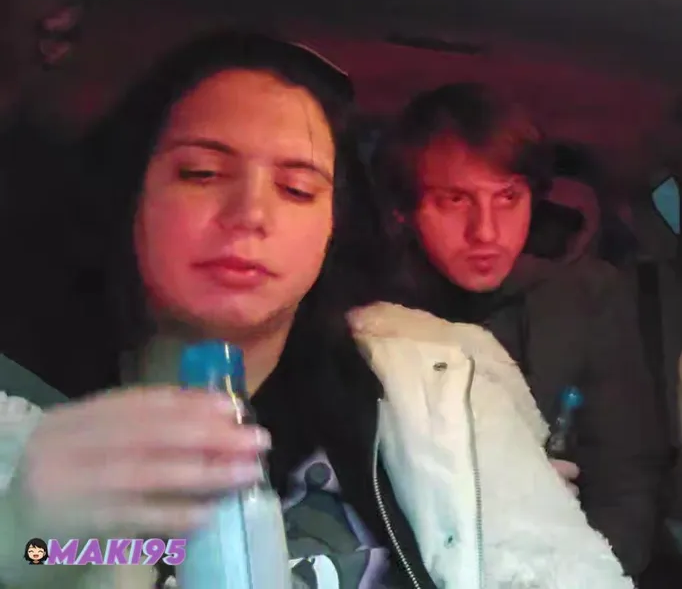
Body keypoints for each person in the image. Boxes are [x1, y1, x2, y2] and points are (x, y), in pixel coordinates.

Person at [0, 31, 632, 589]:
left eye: (297, 188)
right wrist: (23, 541)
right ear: (132, 191)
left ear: (334, 223)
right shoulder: (20, 409)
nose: (251, 214)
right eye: (202, 173)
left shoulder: (445, 386)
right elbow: (31, 550)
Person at [374, 83, 668, 576]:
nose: (486, 232)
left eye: (508, 197)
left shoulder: (586, 298)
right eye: (454, 199)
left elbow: (627, 477)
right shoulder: (368, 316)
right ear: (404, 211)